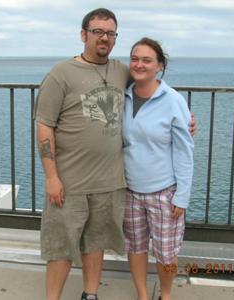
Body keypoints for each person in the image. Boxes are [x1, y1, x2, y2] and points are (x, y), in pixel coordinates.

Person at [35, 8, 196, 300]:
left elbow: (153, 90)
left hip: (110, 181)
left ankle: (91, 294)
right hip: (69, 181)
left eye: (110, 33)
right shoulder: (61, 74)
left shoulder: (121, 71)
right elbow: (44, 127)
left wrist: (184, 119)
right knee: (61, 245)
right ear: (83, 35)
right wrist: (51, 177)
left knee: (95, 242)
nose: (104, 38)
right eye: (97, 31)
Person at [122, 37, 194, 300]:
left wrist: (182, 195)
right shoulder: (123, 95)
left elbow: (185, 150)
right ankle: (142, 295)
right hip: (130, 190)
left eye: (147, 60)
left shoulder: (172, 100)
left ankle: (165, 294)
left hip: (164, 192)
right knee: (136, 247)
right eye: (135, 58)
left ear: (159, 66)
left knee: (166, 252)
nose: (139, 64)